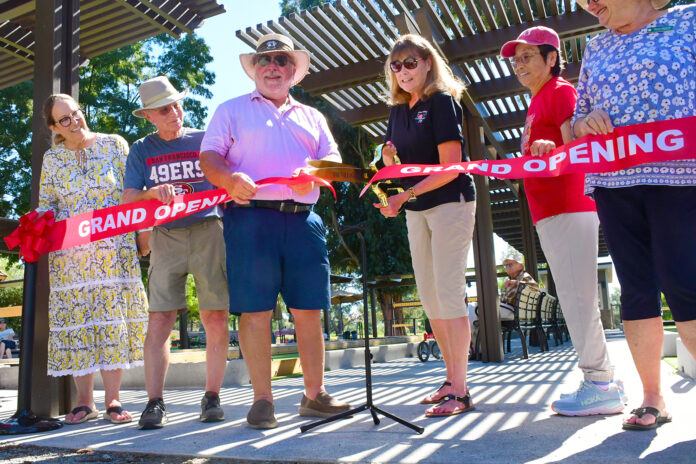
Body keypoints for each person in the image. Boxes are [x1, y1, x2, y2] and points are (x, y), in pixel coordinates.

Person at [199, 33, 351, 429]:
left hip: (304, 221)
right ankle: (262, 400)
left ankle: (314, 396)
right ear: (255, 68)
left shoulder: (313, 117)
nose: (272, 66)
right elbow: (209, 157)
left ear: (293, 71)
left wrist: (315, 174)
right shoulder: (230, 110)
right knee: (255, 312)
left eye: (281, 60)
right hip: (249, 218)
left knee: (309, 310)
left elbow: (333, 160)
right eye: (264, 59)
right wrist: (230, 180)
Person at [574, 0, 696, 430]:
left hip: (682, 176)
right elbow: (577, 120)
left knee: (686, 282)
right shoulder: (595, 47)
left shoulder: (688, 18)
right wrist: (586, 122)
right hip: (614, 182)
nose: (588, 5)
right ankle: (652, 399)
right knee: (636, 288)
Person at [500, 26, 623, 416]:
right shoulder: (536, 102)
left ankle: (600, 383)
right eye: (515, 60)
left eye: (528, 57)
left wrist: (554, 147)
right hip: (549, 210)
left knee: (577, 297)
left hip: (568, 205)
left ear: (552, 59)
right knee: (574, 295)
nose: (519, 66)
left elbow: (579, 145)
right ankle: (604, 378)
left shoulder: (560, 91)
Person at [122, 76, 230, 430]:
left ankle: (212, 397)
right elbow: (127, 198)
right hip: (164, 235)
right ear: (149, 115)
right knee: (160, 320)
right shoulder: (141, 149)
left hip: (209, 230)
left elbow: (229, 177)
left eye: (177, 105)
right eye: (165, 109)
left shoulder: (204, 140)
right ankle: (154, 403)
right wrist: (152, 194)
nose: (175, 113)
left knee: (216, 316)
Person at [378, 34, 477, 417]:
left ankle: (461, 389)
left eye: (410, 62)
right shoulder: (398, 110)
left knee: (449, 292)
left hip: (450, 202)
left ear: (428, 62)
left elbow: (450, 166)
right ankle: (450, 381)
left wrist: (406, 194)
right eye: (396, 65)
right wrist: (388, 167)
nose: (403, 71)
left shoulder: (442, 102)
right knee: (430, 295)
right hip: (416, 209)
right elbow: (395, 170)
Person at [39, 94, 148, 425]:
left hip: (114, 251)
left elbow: (133, 193)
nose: (76, 122)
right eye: (66, 119)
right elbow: (48, 204)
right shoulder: (52, 159)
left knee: (111, 319)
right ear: (54, 127)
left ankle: (113, 399)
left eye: (77, 113)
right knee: (79, 323)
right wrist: (37, 230)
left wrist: (144, 233)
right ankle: (85, 402)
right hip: (70, 259)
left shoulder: (116, 145)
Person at [499, 252, 539, 320]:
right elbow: (502, 300)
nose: (508, 267)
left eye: (511, 264)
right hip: (510, 311)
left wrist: (516, 283)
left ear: (520, 266)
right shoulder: (510, 280)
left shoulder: (525, 276)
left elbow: (535, 288)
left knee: (482, 310)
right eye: (506, 265)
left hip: (513, 312)